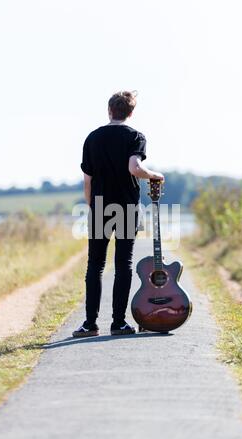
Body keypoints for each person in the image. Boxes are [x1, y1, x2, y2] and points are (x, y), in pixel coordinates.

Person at [73, 91, 164, 337]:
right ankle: (118, 323)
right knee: (123, 264)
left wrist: (93, 207)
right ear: (131, 112)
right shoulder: (135, 136)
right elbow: (134, 168)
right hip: (125, 206)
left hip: (100, 206)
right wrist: (154, 175)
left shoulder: (93, 138)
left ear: (109, 110)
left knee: (96, 264)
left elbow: (87, 181)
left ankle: (89, 324)